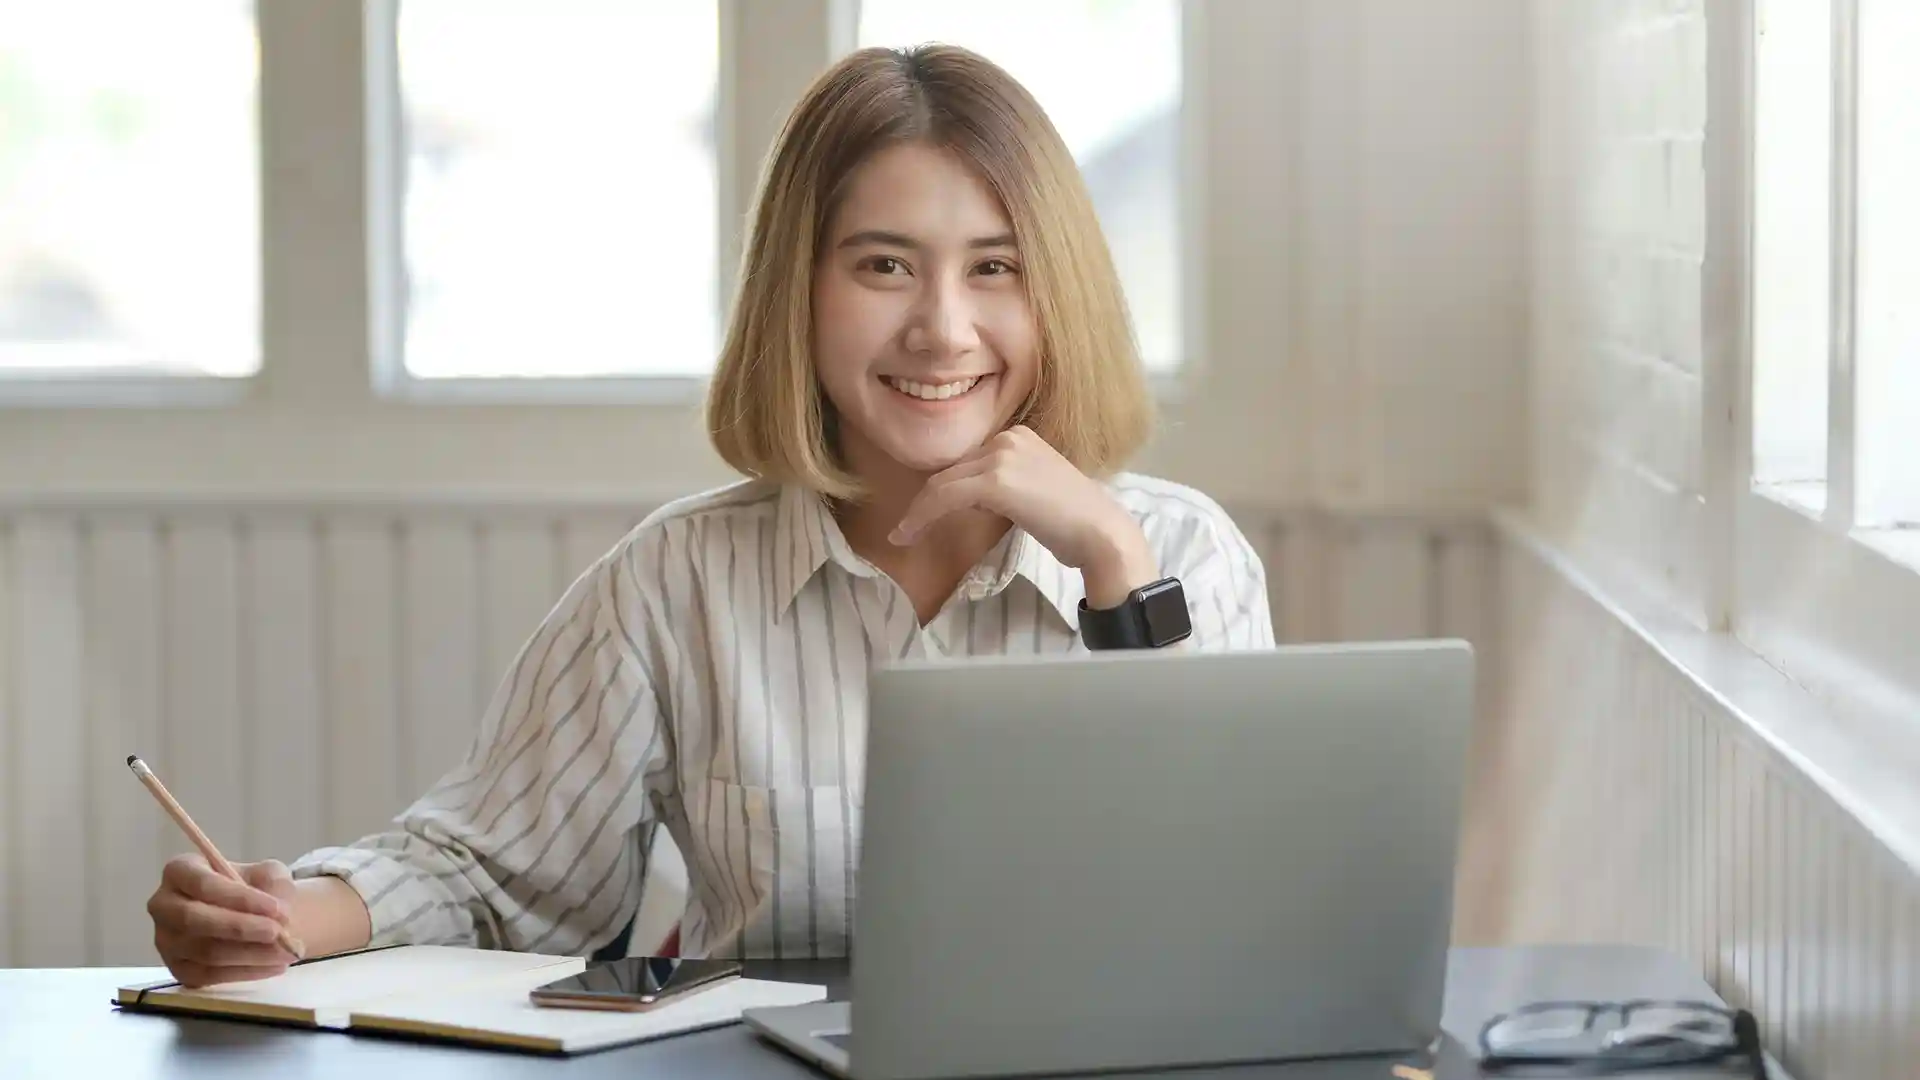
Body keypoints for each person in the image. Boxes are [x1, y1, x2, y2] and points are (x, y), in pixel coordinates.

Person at [145, 43, 1275, 988]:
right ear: (801, 289)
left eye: (995, 269)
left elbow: (1230, 899)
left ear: (1055, 295)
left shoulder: (1180, 552)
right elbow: (495, 870)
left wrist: (1119, 576)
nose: (942, 327)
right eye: (885, 266)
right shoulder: (675, 580)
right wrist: (287, 917)